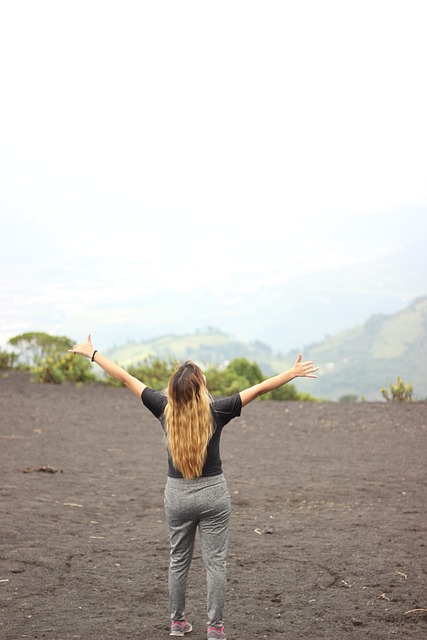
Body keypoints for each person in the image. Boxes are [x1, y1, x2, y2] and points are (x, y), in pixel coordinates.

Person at [70, 335, 318, 640]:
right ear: (201, 387)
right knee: (216, 563)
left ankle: (178, 622)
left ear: (172, 390)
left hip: (177, 496)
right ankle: (215, 628)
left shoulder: (162, 407)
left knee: (178, 560)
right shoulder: (219, 410)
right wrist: (291, 373)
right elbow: (262, 387)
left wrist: (92, 353)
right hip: (214, 495)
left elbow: (124, 377)